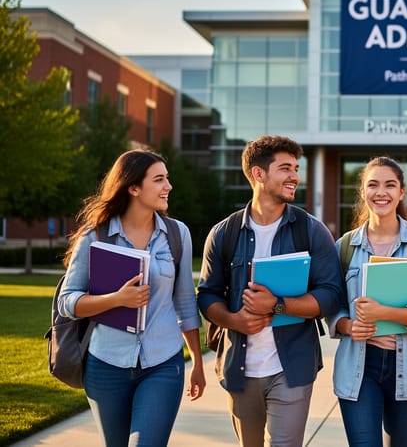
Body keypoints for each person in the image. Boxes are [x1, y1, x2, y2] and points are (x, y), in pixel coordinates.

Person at [197, 135, 343, 447]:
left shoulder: (311, 230)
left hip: (292, 366)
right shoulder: (224, 234)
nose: (295, 176)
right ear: (258, 174)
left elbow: (331, 295)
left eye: (296, 168)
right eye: (285, 168)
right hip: (239, 366)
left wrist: (276, 305)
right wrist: (234, 321)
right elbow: (207, 295)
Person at [58, 149, 205, 447]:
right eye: (159, 179)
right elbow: (68, 302)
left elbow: (186, 302)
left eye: (168, 179)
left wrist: (198, 364)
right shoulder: (95, 236)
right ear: (134, 187)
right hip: (106, 364)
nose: (169, 186)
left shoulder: (177, 235)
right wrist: (116, 299)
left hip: (164, 363)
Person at [329, 156, 407, 446]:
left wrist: (386, 313)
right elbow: (332, 305)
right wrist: (345, 325)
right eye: (373, 185)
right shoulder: (344, 247)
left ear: (401, 192)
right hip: (359, 367)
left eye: (390, 185)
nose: (381, 192)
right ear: (363, 192)